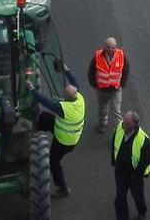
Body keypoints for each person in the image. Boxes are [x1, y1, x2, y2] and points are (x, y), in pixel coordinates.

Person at [28, 65, 84, 198]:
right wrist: (66, 70)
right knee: (45, 117)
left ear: (67, 98)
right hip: (68, 132)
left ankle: (63, 188)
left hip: (64, 141)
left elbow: (45, 102)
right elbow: (74, 83)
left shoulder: (63, 108)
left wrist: (31, 89)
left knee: (54, 162)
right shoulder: (79, 97)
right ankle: (35, 135)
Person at [111, 111, 150, 220]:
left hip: (134, 175)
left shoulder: (144, 140)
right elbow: (114, 142)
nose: (124, 124)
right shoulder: (121, 127)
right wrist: (114, 162)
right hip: (120, 172)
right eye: (124, 121)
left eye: (127, 123)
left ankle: (142, 212)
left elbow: (145, 161)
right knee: (119, 198)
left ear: (135, 124)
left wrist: (136, 176)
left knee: (138, 197)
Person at [88, 37, 129, 132]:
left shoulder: (121, 55)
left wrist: (122, 84)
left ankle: (119, 132)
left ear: (116, 47)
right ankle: (102, 123)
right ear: (104, 47)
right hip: (101, 89)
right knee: (102, 108)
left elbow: (126, 69)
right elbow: (92, 70)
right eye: (108, 47)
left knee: (116, 111)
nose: (110, 49)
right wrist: (94, 84)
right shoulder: (98, 56)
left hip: (115, 89)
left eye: (112, 47)